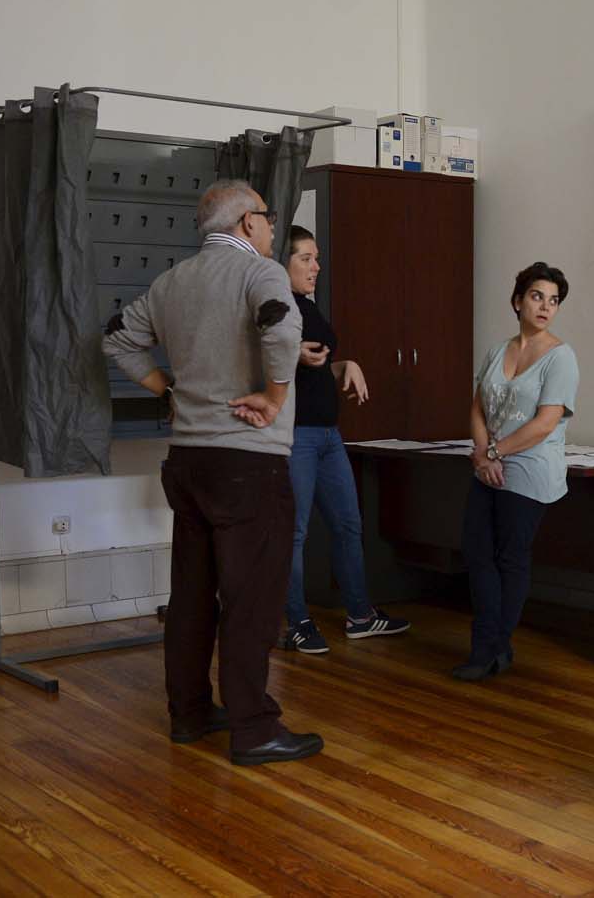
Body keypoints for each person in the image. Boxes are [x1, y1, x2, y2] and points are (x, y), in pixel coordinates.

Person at [103, 179, 324, 766]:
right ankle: (254, 728)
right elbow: (281, 327)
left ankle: (191, 713)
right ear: (248, 223)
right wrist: (275, 398)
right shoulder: (262, 272)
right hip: (248, 460)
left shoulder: (170, 282)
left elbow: (117, 341)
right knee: (253, 600)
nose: (274, 228)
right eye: (269, 217)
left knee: (194, 594)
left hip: (188, 460)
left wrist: (168, 388)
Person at [280, 225, 410, 653]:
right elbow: (256, 363)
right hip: (295, 435)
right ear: (282, 263)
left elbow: (317, 363)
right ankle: (297, 621)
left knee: (349, 524)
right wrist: (290, 353)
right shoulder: (273, 308)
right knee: (294, 533)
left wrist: (345, 364)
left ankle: (360, 615)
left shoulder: (307, 306)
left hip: (329, 434)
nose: (316, 267)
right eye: (305, 259)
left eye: (316, 258)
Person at [454, 262, 579, 681]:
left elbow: (545, 422)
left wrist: (493, 451)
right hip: (488, 465)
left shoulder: (561, 357)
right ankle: (490, 645)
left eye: (554, 300)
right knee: (476, 553)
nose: (545, 306)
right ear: (518, 301)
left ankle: (491, 648)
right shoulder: (497, 350)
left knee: (509, 558)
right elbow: (477, 408)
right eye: (537, 296)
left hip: (529, 469)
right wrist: (482, 455)